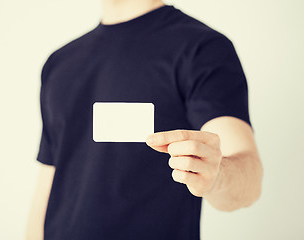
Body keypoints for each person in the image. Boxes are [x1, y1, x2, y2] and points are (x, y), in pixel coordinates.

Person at [25, 0, 263, 239]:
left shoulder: (203, 48)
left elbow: (248, 181)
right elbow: (48, 185)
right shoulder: (59, 62)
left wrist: (216, 175)